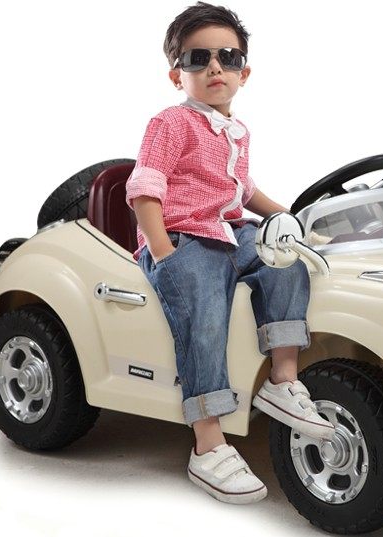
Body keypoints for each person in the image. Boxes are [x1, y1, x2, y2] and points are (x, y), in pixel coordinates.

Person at [125, 2, 334, 505]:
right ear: (177, 75)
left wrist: (292, 221)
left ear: (244, 71)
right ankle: (208, 441)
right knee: (204, 312)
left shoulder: (236, 130)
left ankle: (283, 378)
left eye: (227, 57)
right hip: (184, 237)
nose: (214, 67)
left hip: (228, 232)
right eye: (198, 58)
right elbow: (145, 188)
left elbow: (245, 191)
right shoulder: (172, 123)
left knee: (286, 260)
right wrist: (165, 253)